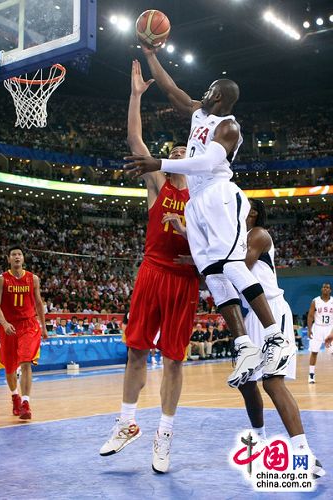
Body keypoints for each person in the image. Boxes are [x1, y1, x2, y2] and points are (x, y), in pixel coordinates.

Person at [124, 48, 295, 388]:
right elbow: (172, 88)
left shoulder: (229, 127)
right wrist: (151, 54)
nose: (202, 93)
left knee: (231, 266)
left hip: (218, 194)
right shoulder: (197, 113)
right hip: (198, 203)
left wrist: (162, 164)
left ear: (217, 96)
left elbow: (206, 164)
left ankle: (275, 338)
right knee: (212, 272)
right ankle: (245, 345)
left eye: (208, 90)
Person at [100, 60, 200, 473]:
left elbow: (220, 249)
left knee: (174, 360)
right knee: (136, 351)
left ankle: (165, 435)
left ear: (191, 159)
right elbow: (134, 138)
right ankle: (126, 424)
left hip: (185, 278)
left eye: (183, 151)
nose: (176, 152)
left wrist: (193, 246)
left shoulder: (204, 195)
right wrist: (136, 96)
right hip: (152, 272)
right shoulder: (158, 184)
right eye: (171, 151)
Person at [237, 199, 325, 479]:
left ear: (253, 213)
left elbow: (237, 269)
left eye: (244, 205)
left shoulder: (258, 235)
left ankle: (305, 455)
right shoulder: (236, 237)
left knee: (272, 383)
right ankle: (260, 442)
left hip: (271, 311)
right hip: (250, 314)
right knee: (247, 383)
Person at [0, 246, 48, 420]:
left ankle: (26, 402)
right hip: (9, 327)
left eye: (19, 254)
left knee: (26, 362)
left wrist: (44, 326)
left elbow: (39, 303)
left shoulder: (33, 279)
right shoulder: (2, 279)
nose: (17, 257)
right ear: (9, 259)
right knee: (10, 367)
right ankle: (15, 397)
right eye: (13, 255)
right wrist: (3, 323)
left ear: (23, 258)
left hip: (28, 324)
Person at [307, 283, 333, 384]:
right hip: (317, 328)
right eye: (324, 287)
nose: (325, 289)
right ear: (321, 289)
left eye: (327, 287)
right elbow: (310, 316)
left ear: (330, 290)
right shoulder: (315, 301)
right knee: (314, 352)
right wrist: (309, 329)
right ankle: (311, 374)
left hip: (329, 328)